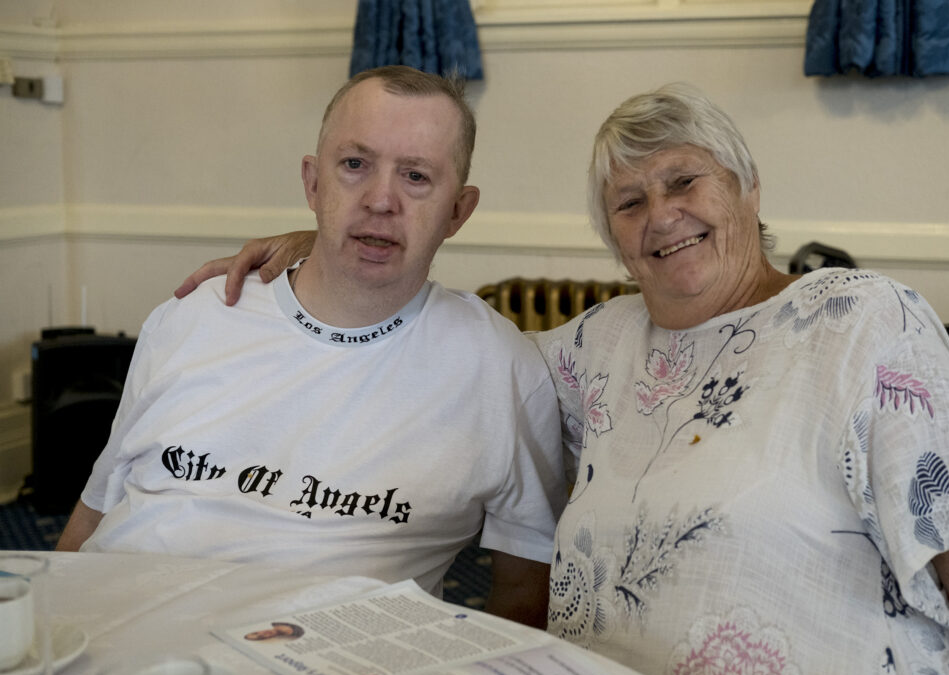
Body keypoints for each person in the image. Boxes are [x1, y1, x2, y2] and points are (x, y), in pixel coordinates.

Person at [174, 83, 949, 675]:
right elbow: (433, 347)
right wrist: (322, 243)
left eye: (685, 180)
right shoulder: (593, 348)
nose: (661, 215)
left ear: (748, 189)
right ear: (614, 239)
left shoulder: (862, 319)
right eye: (627, 201)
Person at [56, 65, 567, 629]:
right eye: (354, 165)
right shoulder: (194, 314)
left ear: (458, 211)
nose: (380, 200)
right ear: (312, 182)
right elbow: (95, 511)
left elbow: (526, 585)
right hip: (109, 636)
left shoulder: (502, 372)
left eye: (416, 176)